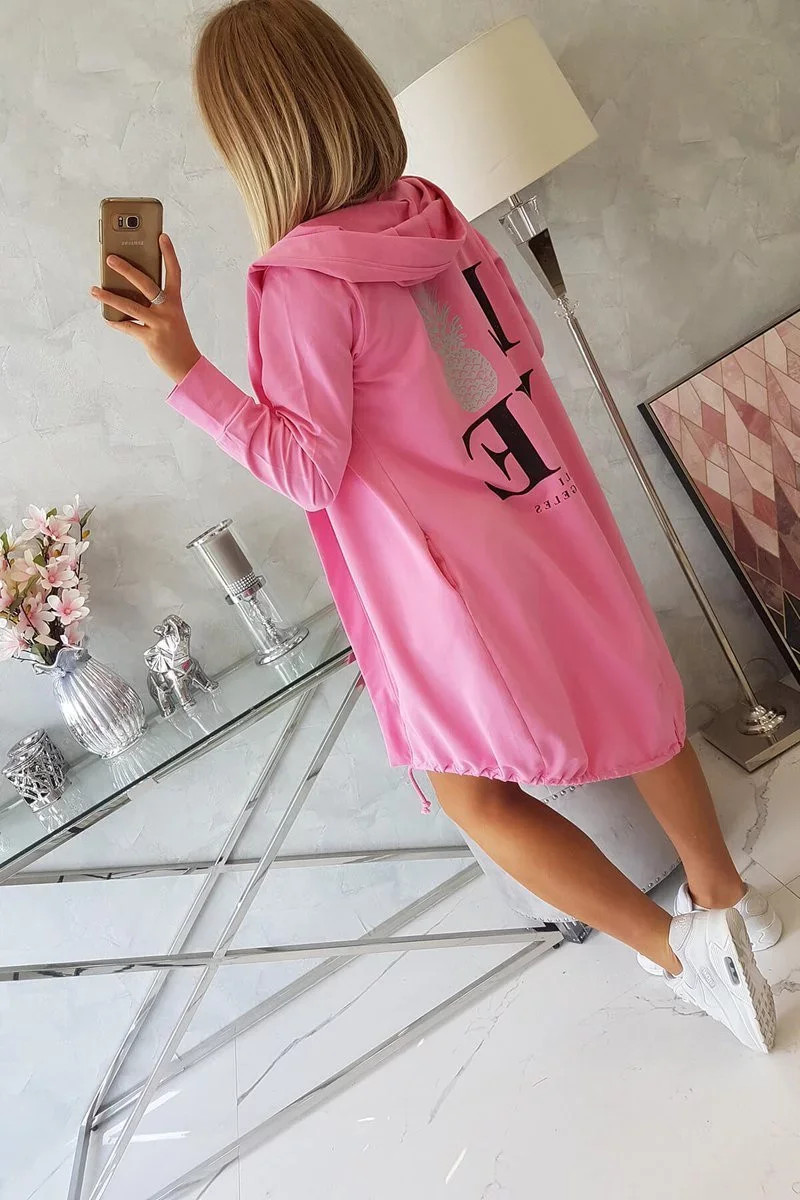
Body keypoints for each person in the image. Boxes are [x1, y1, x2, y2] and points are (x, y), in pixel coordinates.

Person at [91, 0, 781, 1053]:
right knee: (638, 700)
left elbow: (307, 468)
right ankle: (729, 901)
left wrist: (182, 365)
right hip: (548, 509)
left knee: (471, 794)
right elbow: (512, 359)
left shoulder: (301, 281)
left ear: (251, 140)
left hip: (449, 578)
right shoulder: (434, 216)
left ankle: (683, 953)